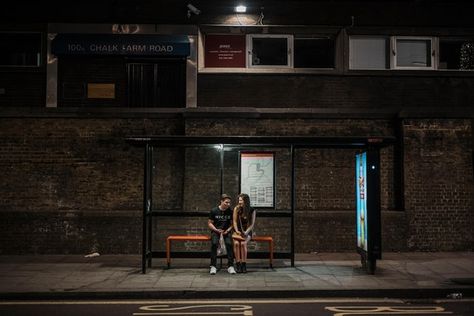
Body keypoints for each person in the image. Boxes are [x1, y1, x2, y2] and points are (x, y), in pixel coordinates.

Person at [208, 194, 236, 275]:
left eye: (229, 203)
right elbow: (209, 223)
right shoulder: (214, 211)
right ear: (221, 201)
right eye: (226, 202)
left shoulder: (230, 211)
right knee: (214, 244)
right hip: (216, 231)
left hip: (226, 232)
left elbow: (232, 224)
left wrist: (227, 230)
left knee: (229, 244)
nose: (228, 204)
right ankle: (213, 266)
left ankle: (230, 266)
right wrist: (216, 230)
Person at [232, 193, 256, 273]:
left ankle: (244, 264)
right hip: (237, 230)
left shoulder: (252, 210)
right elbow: (234, 222)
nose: (239, 202)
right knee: (236, 244)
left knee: (243, 244)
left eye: (241, 200)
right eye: (239, 200)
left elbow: (252, 224)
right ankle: (238, 264)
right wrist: (236, 230)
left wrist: (246, 232)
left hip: (247, 231)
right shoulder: (236, 208)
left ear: (246, 201)